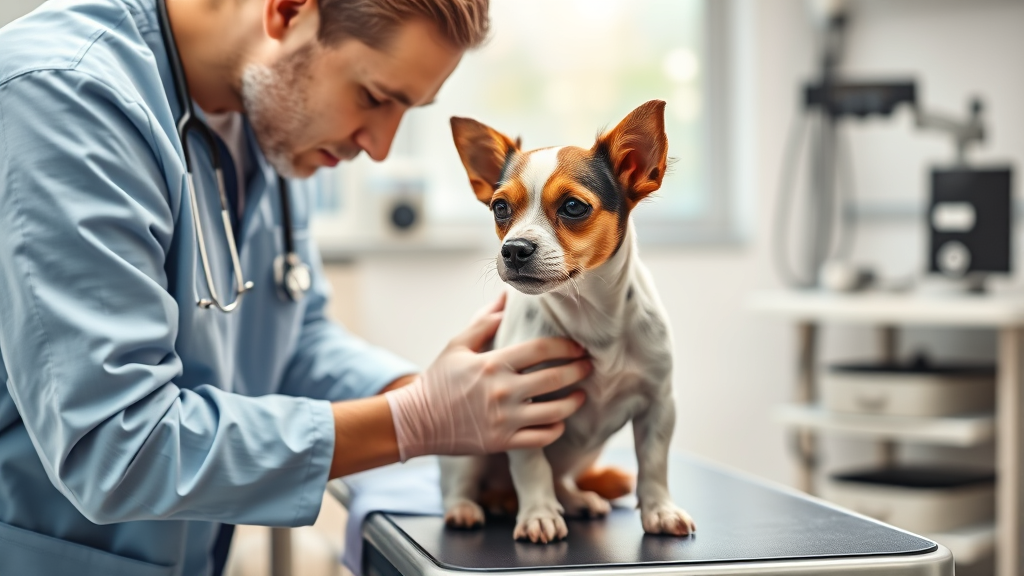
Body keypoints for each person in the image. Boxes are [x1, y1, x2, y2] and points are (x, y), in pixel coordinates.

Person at [0, 0, 592, 574]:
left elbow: (293, 335)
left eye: (407, 111)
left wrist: (459, 398)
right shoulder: (63, 99)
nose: (379, 148)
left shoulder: (267, 110)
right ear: (288, 11)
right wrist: (414, 421)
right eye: (374, 97)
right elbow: (119, 448)